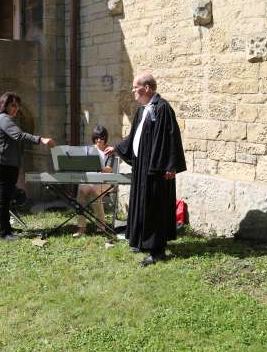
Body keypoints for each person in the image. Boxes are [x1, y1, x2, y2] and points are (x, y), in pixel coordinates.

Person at [105, 73, 186, 266]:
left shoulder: (162, 108)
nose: (133, 91)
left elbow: (171, 139)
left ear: (147, 88)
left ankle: (157, 251)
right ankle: (143, 242)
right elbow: (134, 137)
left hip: (156, 169)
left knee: (154, 208)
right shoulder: (142, 110)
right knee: (142, 205)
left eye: (135, 87)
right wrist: (117, 148)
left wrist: (170, 166)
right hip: (142, 167)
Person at [0, 92, 56, 240]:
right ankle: (4, 233)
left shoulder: (7, 119)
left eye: (17, 106)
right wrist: (41, 140)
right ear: (5, 105)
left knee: (6, 198)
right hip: (1, 165)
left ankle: (8, 228)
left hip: (8, 165)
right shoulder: (3, 119)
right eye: (13, 105)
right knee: (3, 199)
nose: (16, 109)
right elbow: (19, 136)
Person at [74, 125, 115, 237]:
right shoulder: (89, 150)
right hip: (89, 179)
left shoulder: (109, 150)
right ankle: (81, 227)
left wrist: (97, 167)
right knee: (80, 193)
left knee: (94, 193)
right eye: (96, 138)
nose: (99, 141)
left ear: (105, 138)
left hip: (105, 181)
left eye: (101, 138)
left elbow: (109, 169)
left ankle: (101, 226)